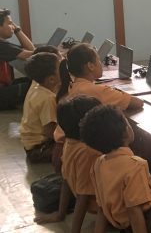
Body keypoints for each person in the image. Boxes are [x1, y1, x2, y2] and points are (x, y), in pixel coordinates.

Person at [53, 43, 143, 173]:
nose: (101, 64)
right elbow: (137, 103)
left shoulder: (74, 85)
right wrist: (116, 93)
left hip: (65, 149)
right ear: (90, 66)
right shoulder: (96, 90)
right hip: (78, 155)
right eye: (99, 61)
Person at [33, 96, 102, 230]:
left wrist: (60, 214)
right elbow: (83, 197)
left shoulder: (69, 142)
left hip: (84, 198)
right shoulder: (88, 152)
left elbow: (66, 180)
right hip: (98, 205)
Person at [19, 52, 60, 164]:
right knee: (78, 147)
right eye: (61, 67)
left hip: (30, 146)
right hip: (39, 149)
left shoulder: (36, 87)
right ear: (51, 79)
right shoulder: (47, 98)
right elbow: (49, 131)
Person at [0, 8, 34, 110]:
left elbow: (31, 50)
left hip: (4, 87)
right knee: (41, 84)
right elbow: (31, 52)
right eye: (10, 23)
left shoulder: (3, 44)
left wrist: (17, 30)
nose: (13, 27)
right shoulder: (1, 45)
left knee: (31, 81)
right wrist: (54, 51)